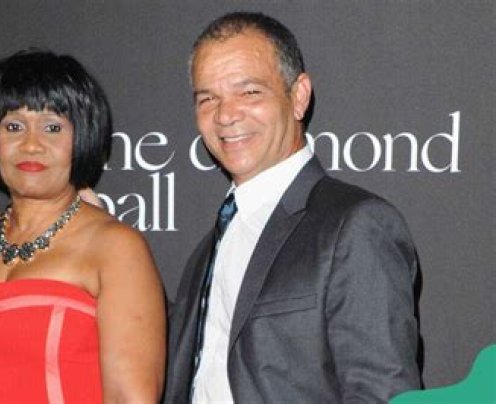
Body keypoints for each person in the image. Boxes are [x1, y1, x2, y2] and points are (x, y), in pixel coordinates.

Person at [164, 12, 421, 403]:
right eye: (208, 98)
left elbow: (382, 392)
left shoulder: (355, 226)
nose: (226, 114)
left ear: (298, 96)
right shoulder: (207, 252)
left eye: (249, 92)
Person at [0, 49, 165, 403]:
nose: (31, 145)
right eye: (13, 126)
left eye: (52, 127)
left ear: (82, 138)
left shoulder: (115, 246)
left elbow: (129, 398)